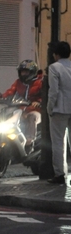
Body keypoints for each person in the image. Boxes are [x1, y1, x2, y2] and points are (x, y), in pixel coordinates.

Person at [0, 59, 43, 149]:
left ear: (32, 72)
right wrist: (0, 97)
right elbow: (10, 91)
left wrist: (38, 102)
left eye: (26, 72)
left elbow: (45, 95)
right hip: (20, 109)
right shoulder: (18, 82)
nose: (23, 74)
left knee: (32, 117)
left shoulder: (39, 83)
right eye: (22, 72)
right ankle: (0, 135)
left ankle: (29, 140)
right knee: (6, 114)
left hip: (35, 110)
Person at [47, 41, 71, 184]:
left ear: (56, 55)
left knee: (58, 142)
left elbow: (53, 91)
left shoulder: (54, 68)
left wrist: (50, 107)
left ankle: (59, 174)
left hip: (60, 109)